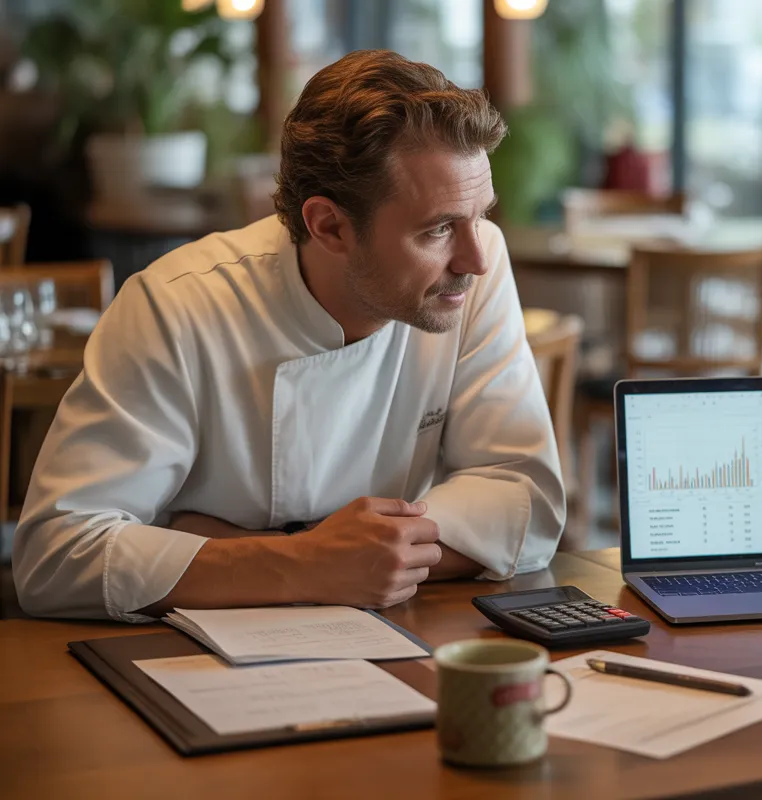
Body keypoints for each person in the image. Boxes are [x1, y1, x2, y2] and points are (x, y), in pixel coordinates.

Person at [13, 50, 565, 621]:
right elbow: (55, 556)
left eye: (481, 216)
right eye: (438, 229)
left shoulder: (477, 267)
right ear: (329, 226)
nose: (474, 258)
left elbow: (526, 501)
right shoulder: (176, 304)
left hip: (394, 635)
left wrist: (255, 551)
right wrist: (302, 562)